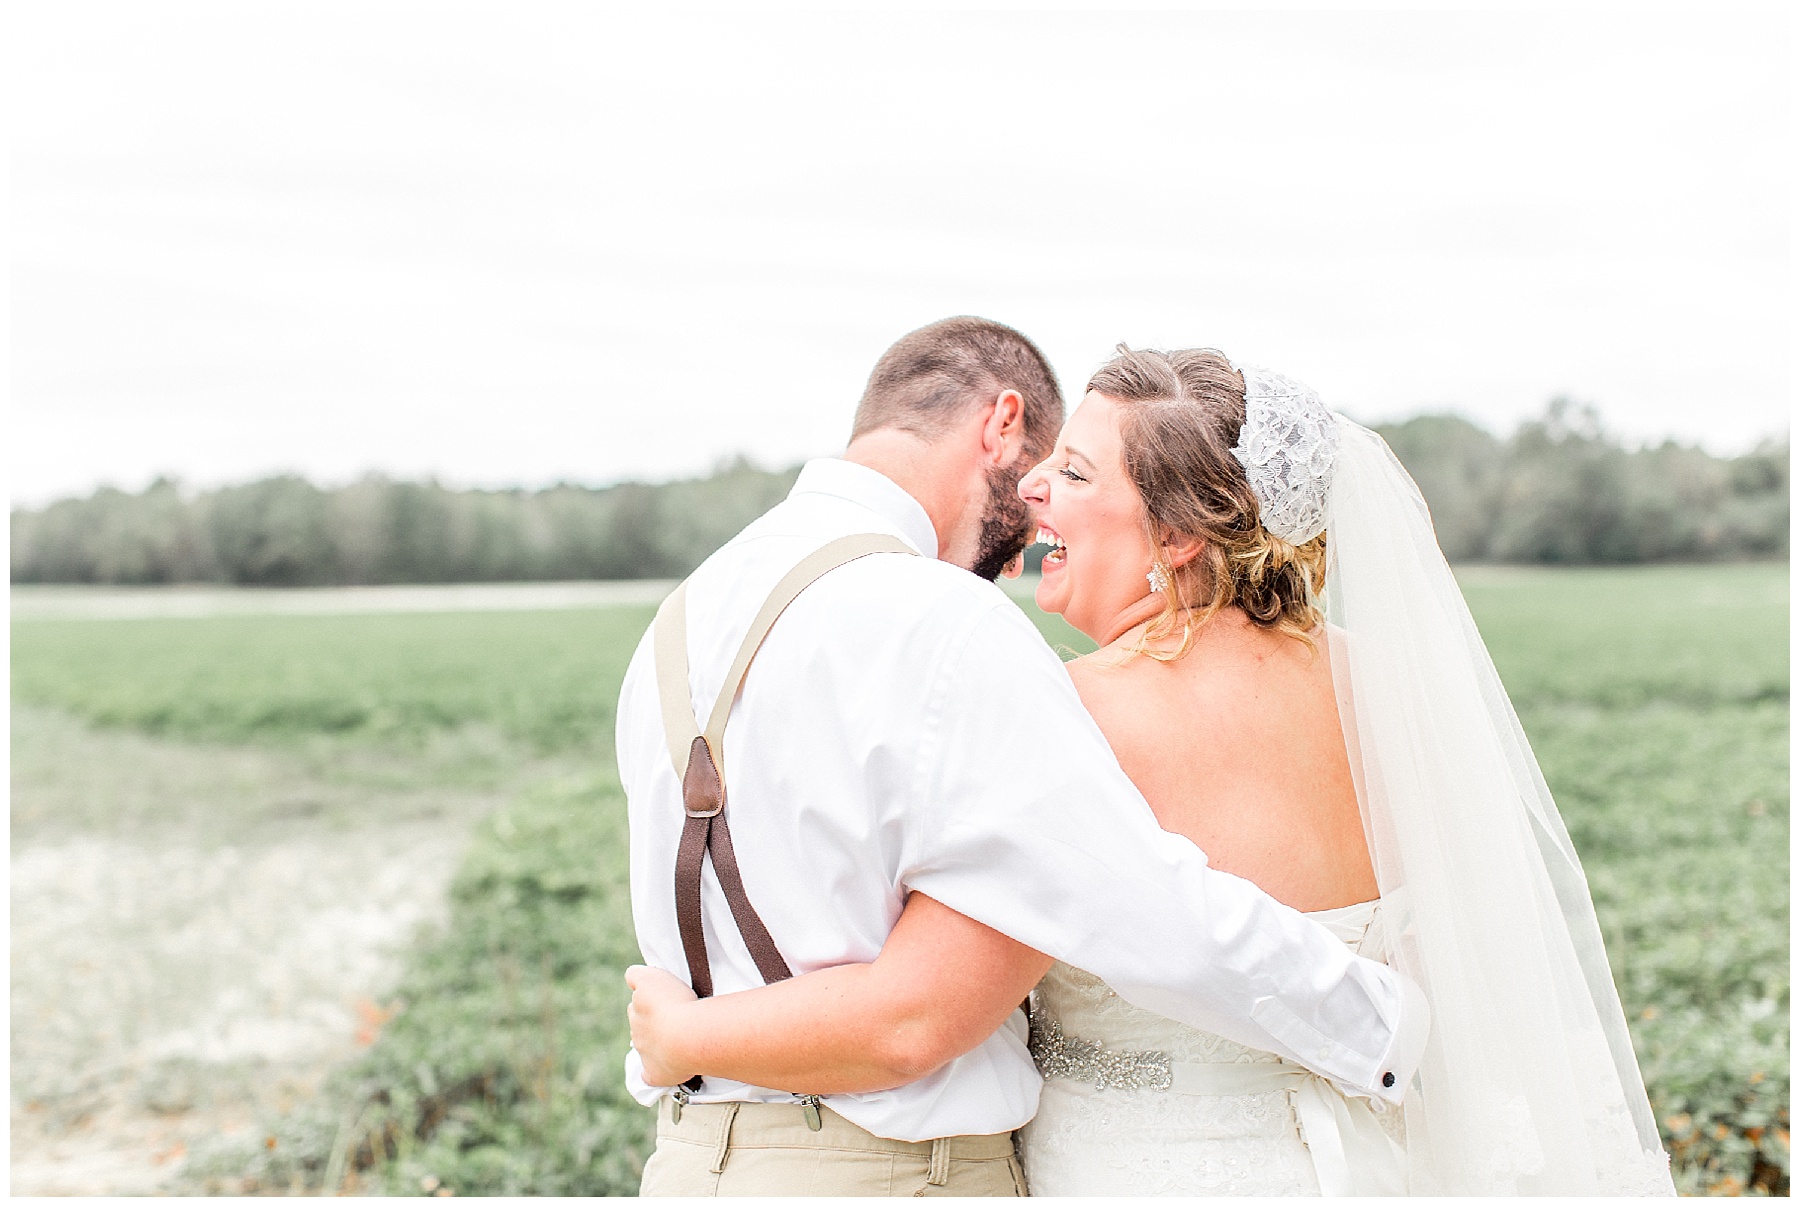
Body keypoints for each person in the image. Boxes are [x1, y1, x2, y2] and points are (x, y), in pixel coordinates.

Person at [627, 344, 1677, 1195]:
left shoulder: (1077, 712)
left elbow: (927, 1004)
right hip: (1373, 1169)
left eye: (1076, 473)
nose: (1037, 488)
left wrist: (687, 1033)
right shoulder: (1391, 696)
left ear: (1177, 535)